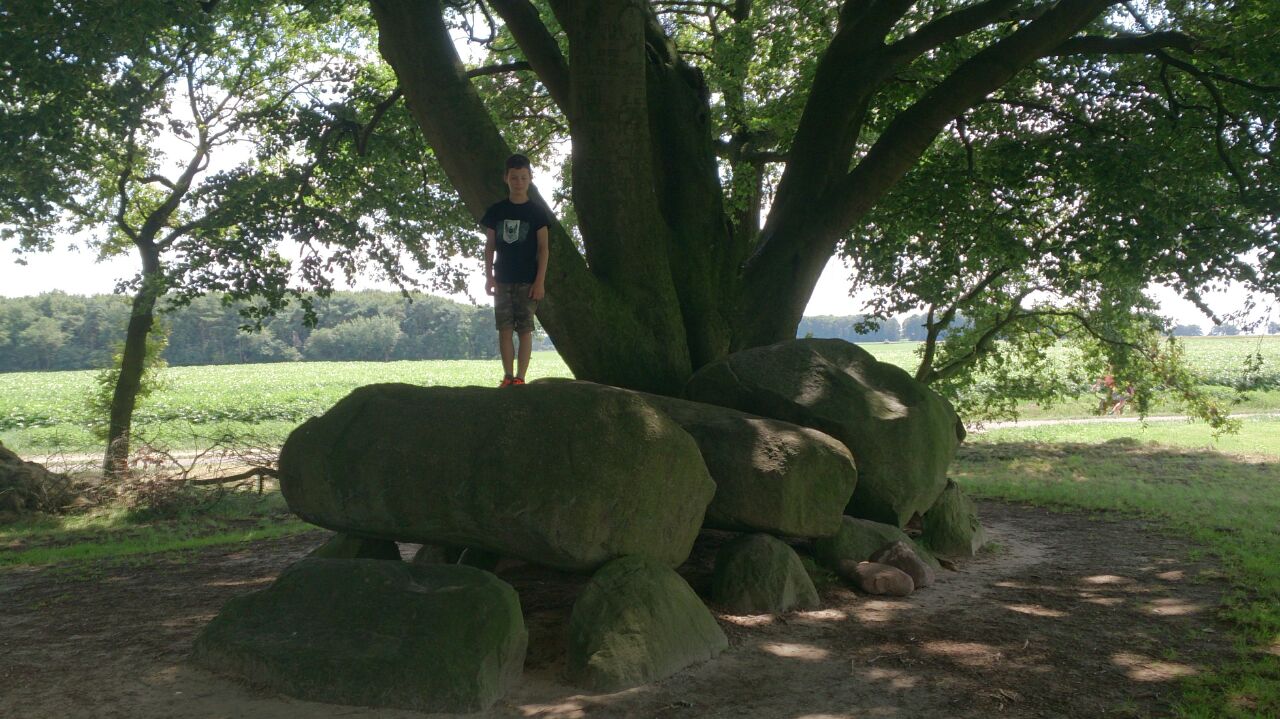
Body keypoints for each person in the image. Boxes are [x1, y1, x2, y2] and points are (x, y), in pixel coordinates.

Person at [481, 153, 550, 387]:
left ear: (530, 178)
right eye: (514, 178)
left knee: (525, 330)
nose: (518, 182)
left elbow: (544, 249)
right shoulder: (496, 211)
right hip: (502, 279)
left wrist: (540, 281)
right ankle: (508, 376)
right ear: (506, 179)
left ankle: (521, 377)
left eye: (523, 177)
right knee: (504, 328)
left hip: (528, 281)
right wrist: (489, 277)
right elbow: (489, 246)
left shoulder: (538, 213)